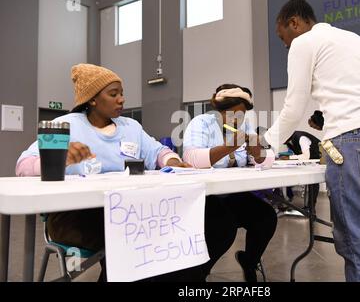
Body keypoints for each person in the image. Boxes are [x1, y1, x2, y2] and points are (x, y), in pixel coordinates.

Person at [16, 63, 204, 282]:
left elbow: (158, 151)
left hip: (125, 210)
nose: (121, 99)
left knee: (175, 227)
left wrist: (172, 160)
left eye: (122, 94)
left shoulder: (130, 127)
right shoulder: (66, 125)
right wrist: (59, 158)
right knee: (137, 237)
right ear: (93, 99)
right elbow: (23, 165)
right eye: (113, 94)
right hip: (74, 216)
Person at [263, 0, 360, 282]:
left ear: (294, 23)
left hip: (355, 145)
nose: (286, 45)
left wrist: (267, 144)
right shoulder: (355, 40)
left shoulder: (304, 43)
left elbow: (293, 107)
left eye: (283, 38)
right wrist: (330, 113)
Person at [183, 84, 278, 282]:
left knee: (266, 218)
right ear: (219, 110)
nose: (237, 119)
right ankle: (199, 273)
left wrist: (258, 154)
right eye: (232, 113)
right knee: (223, 229)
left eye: (241, 114)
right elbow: (191, 159)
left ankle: (249, 262)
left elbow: (267, 160)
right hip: (206, 196)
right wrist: (228, 146)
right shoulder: (201, 123)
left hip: (233, 193)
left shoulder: (244, 127)